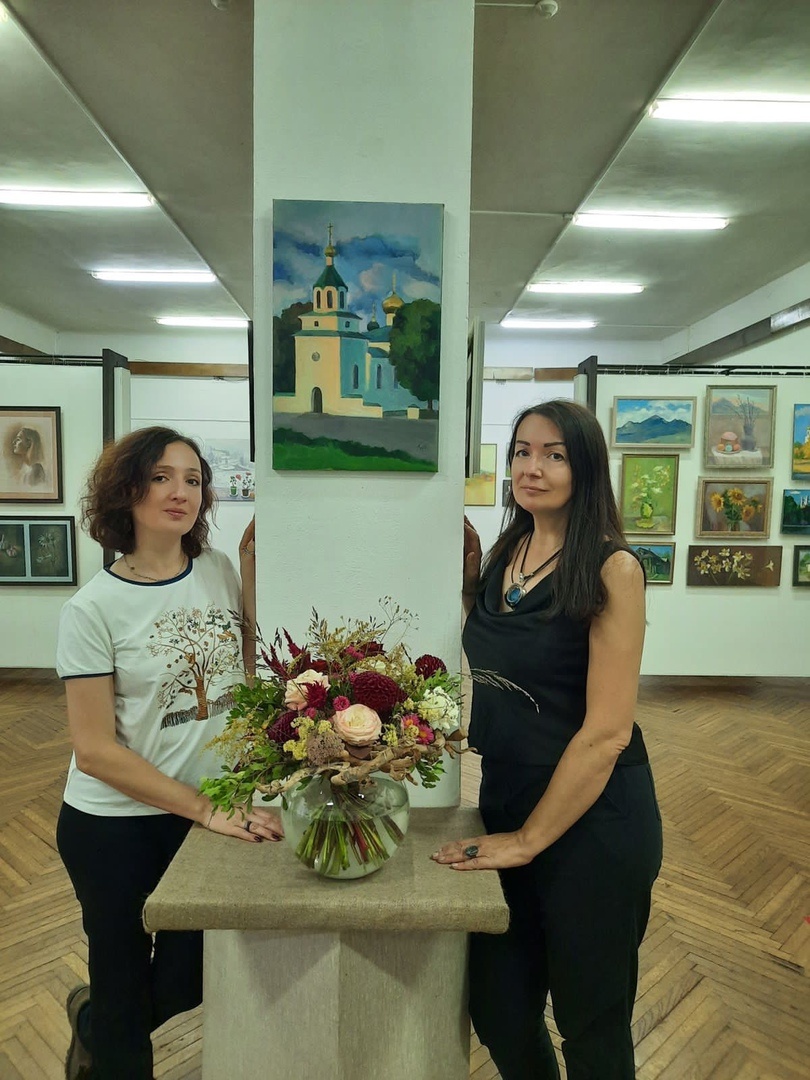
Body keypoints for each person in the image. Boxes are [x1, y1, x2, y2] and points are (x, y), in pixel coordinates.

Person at [433, 400, 663, 1080]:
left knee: (591, 1025)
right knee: (500, 1011)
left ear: (585, 468)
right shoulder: (508, 552)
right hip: (509, 794)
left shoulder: (613, 568)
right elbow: (512, 651)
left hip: (596, 819)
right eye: (522, 451)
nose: (532, 467)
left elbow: (608, 732)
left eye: (554, 455)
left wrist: (528, 841)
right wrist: (469, 591)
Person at [55, 426, 282, 1080]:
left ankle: (93, 1024)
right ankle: (107, 1034)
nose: (180, 491)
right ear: (126, 491)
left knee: (189, 977)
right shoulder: (92, 610)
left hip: (205, 814)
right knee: (123, 984)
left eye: (192, 479)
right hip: (113, 827)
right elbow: (95, 751)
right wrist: (206, 809)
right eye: (160, 477)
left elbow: (244, 666)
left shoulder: (217, 570)